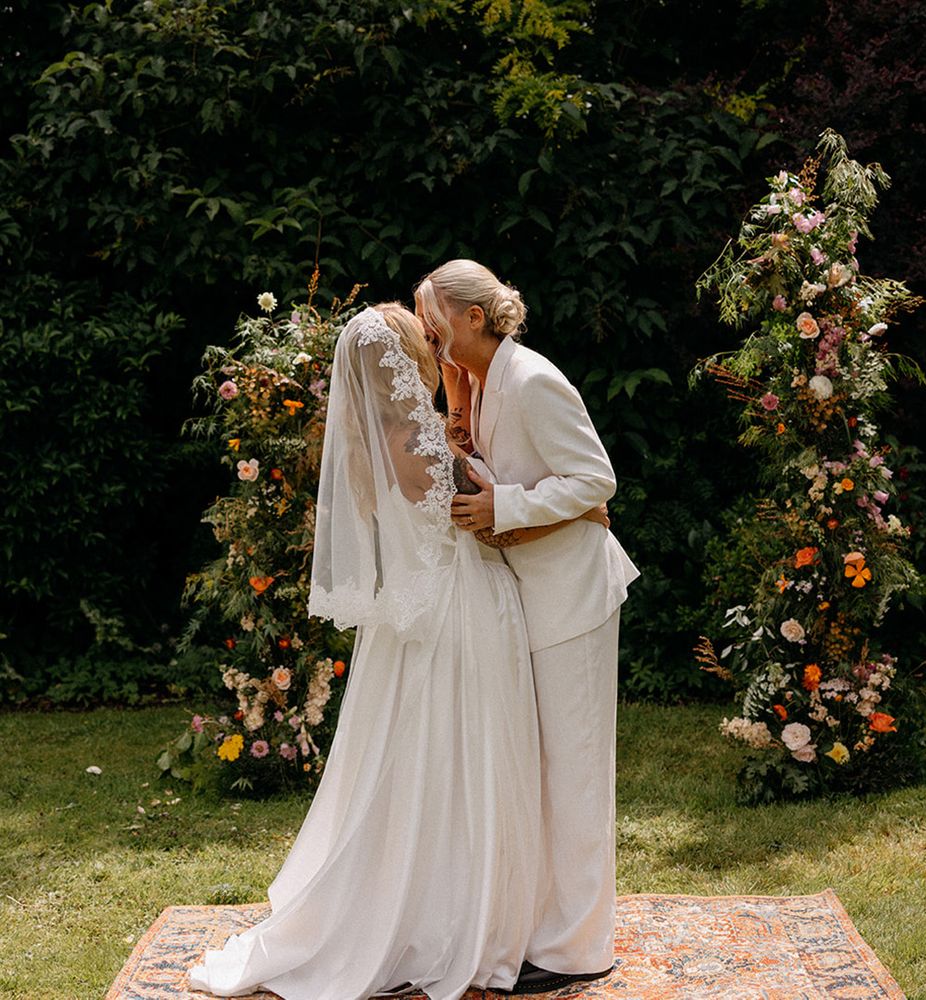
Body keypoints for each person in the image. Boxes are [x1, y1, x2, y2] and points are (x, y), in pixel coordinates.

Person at [187, 302, 609, 1000]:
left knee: (418, 757)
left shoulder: (366, 437)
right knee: (468, 755)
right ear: (402, 363)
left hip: (407, 614)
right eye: (422, 339)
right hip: (459, 608)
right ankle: (460, 914)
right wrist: (579, 507)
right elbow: (482, 514)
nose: (432, 342)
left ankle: (425, 897)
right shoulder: (418, 440)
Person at [414, 263, 640, 996]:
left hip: (572, 598)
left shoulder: (536, 380)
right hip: (530, 596)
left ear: (474, 317)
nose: (426, 326)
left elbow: (595, 481)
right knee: (541, 773)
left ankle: (578, 949)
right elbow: (515, 470)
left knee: (574, 771)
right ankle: (543, 924)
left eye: (434, 312)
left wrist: (503, 508)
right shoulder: (479, 382)